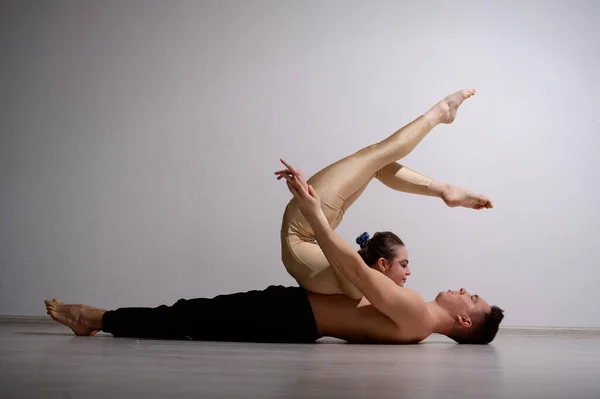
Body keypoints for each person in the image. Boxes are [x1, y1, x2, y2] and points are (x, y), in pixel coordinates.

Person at [278, 89, 493, 299]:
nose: (408, 272)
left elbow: (327, 239)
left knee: (375, 155)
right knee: (376, 164)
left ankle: (442, 112)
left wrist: (310, 207)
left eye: (404, 264)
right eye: (405, 265)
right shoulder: (364, 281)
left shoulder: (359, 280)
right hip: (313, 227)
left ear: (382, 263)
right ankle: (445, 190)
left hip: (303, 226)